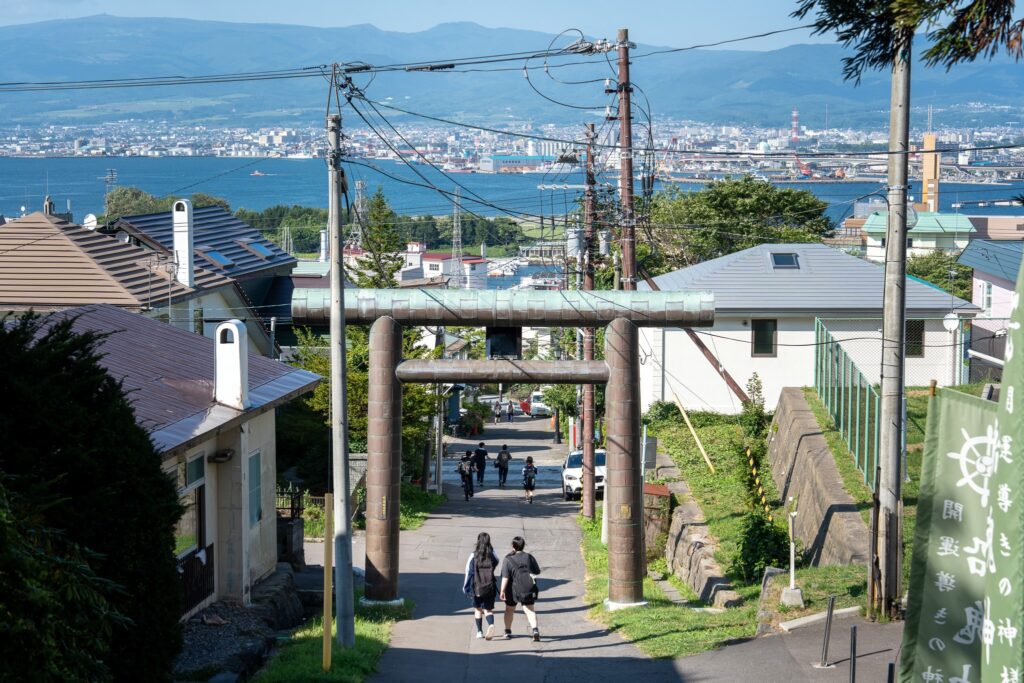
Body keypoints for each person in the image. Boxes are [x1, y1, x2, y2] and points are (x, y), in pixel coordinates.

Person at [499, 536, 542, 641]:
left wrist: (502, 591)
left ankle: (507, 631)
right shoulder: (529, 557)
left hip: (512, 590)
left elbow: (505, 577)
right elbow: (537, 571)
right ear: (523, 546)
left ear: (513, 546)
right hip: (527, 587)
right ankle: (535, 629)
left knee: (509, 610)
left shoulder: (508, 559)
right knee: (530, 609)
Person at [463, 532, 500, 640]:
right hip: (490, 586)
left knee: (478, 610)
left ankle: (479, 632)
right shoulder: (492, 554)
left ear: (478, 541)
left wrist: (465, 587)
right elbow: (497, 561)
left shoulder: (473, 555)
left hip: (477, 587)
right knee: (488, 610)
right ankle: (491, 625)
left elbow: (468, 572)